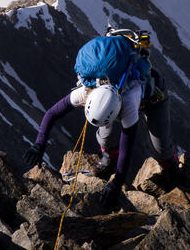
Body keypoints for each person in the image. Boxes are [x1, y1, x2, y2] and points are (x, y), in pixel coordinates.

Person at [24, 27, 178, 207]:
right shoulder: (88, 90)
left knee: (160, 148)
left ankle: (173, 169)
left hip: (153, 98)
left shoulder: (129, 101)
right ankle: (108, 159)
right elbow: (52, 114)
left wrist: (118, 181)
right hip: (113, 97)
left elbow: (127, 143)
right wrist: (39, 144)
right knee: (104, 136)